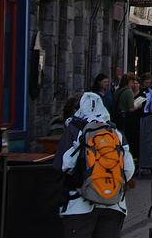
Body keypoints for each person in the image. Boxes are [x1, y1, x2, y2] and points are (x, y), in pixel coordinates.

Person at [54, 92, 135, 238]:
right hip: (113, 205)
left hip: (78, 207)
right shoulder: (115, 133)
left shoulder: (74, 130)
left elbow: (61, 166)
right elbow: (128, 170)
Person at [113, 73, 143, 159]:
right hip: (125, 118)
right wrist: (138, 106)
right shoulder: (128, 92)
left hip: (117, 117)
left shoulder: (118, 91)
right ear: (129, 81)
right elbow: (131, 108)